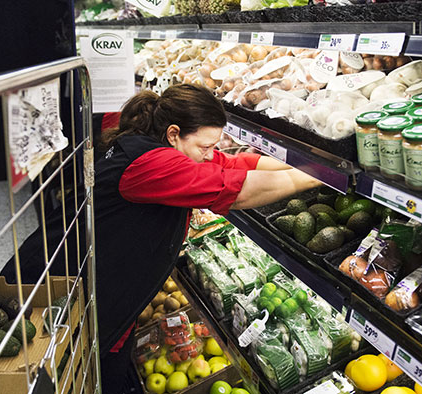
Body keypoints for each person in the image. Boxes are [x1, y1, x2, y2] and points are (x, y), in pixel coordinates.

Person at [95, 84, 321, 392]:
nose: (210, 153)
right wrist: (309, 179)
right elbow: (235, 189)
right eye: (205, 146)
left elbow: (235, 164)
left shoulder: (154, 144)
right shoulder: (151, 164)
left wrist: (310, 165)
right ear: (174, 133)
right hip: (90, 292)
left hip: (112, 281)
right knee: (105, 374)